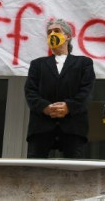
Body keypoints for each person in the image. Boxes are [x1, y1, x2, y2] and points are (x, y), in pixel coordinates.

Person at [25, 18, 95, 158]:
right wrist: (45, 107)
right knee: (35, 170)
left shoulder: (84, 63)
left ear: (68, 36)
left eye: (57, 31)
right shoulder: (37, 64)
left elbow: (86, 92)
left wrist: (69, 106)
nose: (52, 34)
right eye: (49, 32)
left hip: (73, 126)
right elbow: (30, 92)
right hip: (41, 127)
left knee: (73, 172)